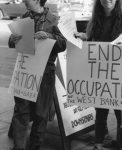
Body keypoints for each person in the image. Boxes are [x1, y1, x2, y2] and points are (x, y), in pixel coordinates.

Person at [74, 0, 122, 150]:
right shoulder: (95, 20)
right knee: (100, 113)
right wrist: (84, 37)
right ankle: (98, 145)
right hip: (101, 75)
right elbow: (92, 42)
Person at [8, 0, 66, 150]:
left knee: (41, 114)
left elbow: (63, 44)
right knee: (21, 111)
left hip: (45, 73)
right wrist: (12, 39)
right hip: (25, 71)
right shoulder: (25, 16)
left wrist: (49, 36)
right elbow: (13, 41)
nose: (23, 2)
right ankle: (18, 147)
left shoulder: (54, 19)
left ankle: (35, 146)